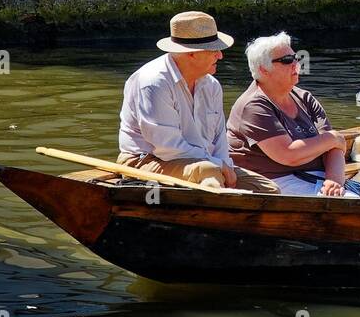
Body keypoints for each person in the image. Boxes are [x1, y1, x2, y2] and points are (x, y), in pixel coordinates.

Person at [117, 11, 279, 192]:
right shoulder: (153, 83)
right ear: (191, 54)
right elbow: (166, 147)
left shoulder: (212, 85)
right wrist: (217, 164)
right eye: (213, 50)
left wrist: (225, 165)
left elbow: (219, 139)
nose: (220, 56)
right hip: (147, 160)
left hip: (204, 161)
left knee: (268, 188)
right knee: (209, 173)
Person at [226, 32, 358, 196]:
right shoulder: (253, 106)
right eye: (287, 60)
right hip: (275, 182)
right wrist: (331, 138)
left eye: (296, 58)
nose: (296, 63)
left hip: (317, 177)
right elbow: (289, 155)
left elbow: (334, 149)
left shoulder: (304, 98)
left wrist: (334, 181)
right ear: (263, 69)